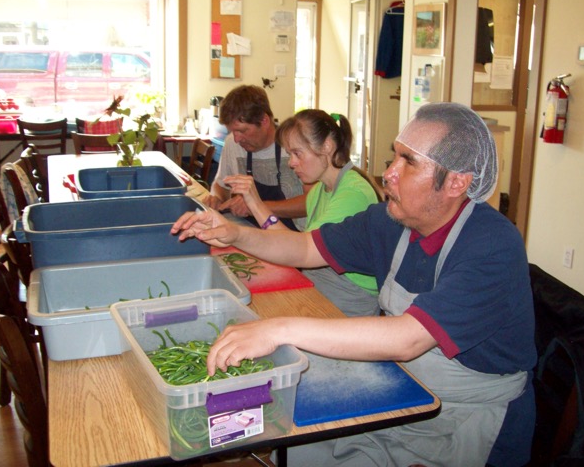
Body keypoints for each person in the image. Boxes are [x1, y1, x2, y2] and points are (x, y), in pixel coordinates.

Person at [172, 102, 537, 467]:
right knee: (301, 444)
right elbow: (304, 247)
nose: (388, 173)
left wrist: (278, 329)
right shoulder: (390, 221)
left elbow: (407, 339)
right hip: (403, 387)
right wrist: (234, 233)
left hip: (461, 422)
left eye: (408, 162)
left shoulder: (491, 245)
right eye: (394, 157)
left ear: (457, 181)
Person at [223, 109, 380, 317]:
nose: (291, 163)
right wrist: (254, 203)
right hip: (323, 282)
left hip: (351, 298)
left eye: (297, 153)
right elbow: (292, 244)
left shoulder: (352, 194)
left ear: (327, 146)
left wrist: (255, 205)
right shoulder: (320, 189)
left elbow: (300, 252)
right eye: (290, 155)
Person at [205, 85, 310, 231]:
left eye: (242, 131)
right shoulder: (232, 143)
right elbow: (220, 184)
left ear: (264, 120)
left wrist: (255, 206)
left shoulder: (294, 147)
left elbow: (312, 202)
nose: (236, 138)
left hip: (293, 235)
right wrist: (215, 198)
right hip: (251, 229)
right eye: (232, 131)